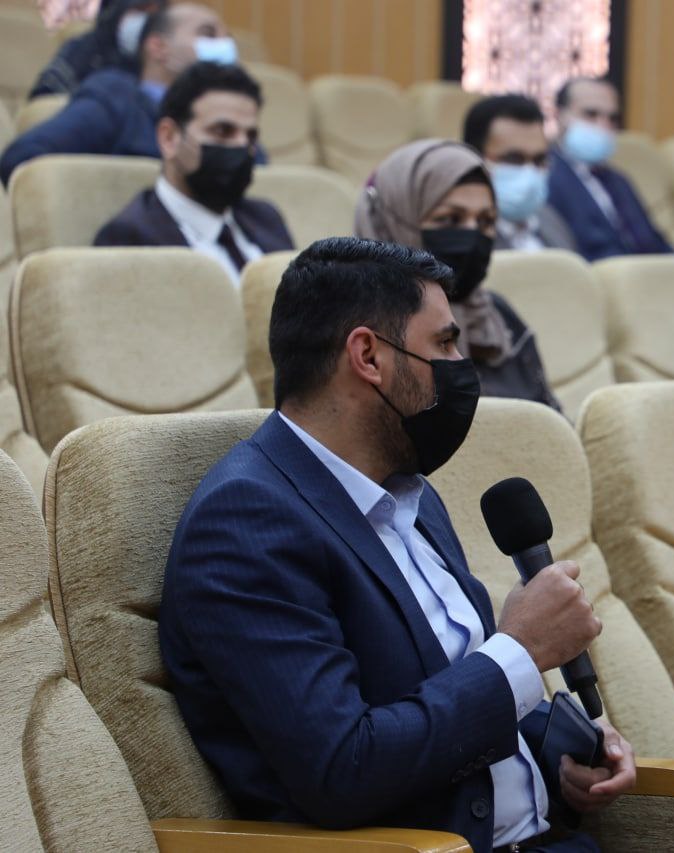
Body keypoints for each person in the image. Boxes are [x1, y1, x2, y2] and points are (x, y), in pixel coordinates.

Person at [159, 236, 634, 851]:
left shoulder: (411, 494)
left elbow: (443, 686)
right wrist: (520, 650)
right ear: (368, 356)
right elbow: (343, 767)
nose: (462, 364)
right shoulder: (246, 523)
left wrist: (558, 751)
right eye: (444, 343)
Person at [355, 139, 560, 410]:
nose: (472, 236)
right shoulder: (362, 333)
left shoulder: (499, 317)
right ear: (394, 221)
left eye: (486, 221)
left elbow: (552, 420)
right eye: (450, 219)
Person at [1, 2, 242, 186]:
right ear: (158, 47)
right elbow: (22, 159)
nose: (223, 47)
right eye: (208, 34)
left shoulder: (232, 114)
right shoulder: (115, 96)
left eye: (228, 38)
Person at [94, 62, 292, 283]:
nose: (241, 145)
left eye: (251, 136)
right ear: (169, 138)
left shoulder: (266, 217)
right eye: (222, 131)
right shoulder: (129, 238)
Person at [546, 77, 672, 261]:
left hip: (650, 272)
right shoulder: (547, 176)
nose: (603, 126)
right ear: (559, 116)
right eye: (591, 114)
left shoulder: (619, 179)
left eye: (612, 119)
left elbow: (656, 242)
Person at [462, 94, 577, 253]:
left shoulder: (551, 219)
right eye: (513, 159)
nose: (530, 172)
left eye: (539, 160)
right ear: (473, 160)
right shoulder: (459, 236)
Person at [29, 0, 167, 99]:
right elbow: (42, 101)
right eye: (140, 10)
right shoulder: (82, 50)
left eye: (152, 15)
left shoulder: (161, 67)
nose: (145, 21)